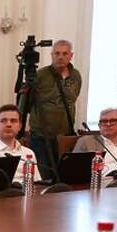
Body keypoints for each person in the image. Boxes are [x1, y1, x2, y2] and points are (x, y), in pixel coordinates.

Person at [27, 39, 82, 176]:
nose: (60, 57)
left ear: (71, 55)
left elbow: (73, 99)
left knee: (63, 175)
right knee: (44, 176)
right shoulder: (41, 75)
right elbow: (29, 102)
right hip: (41, 136)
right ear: (52, 55)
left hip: (65, 135)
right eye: (57, 53)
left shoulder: (76, 76)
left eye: (64, 53)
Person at [0, 104, 43, 184]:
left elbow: (37, 183)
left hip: (26, 191)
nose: (8, 124)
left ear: (20, 126)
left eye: (13, 121)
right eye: (3, 121)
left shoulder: (29, 153)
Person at [73, 107, 117, 177]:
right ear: (99, 125)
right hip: (100, 181)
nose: (108, 124)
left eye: (113, 121)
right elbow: (74, 168)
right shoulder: (86, 142)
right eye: (104, 121)